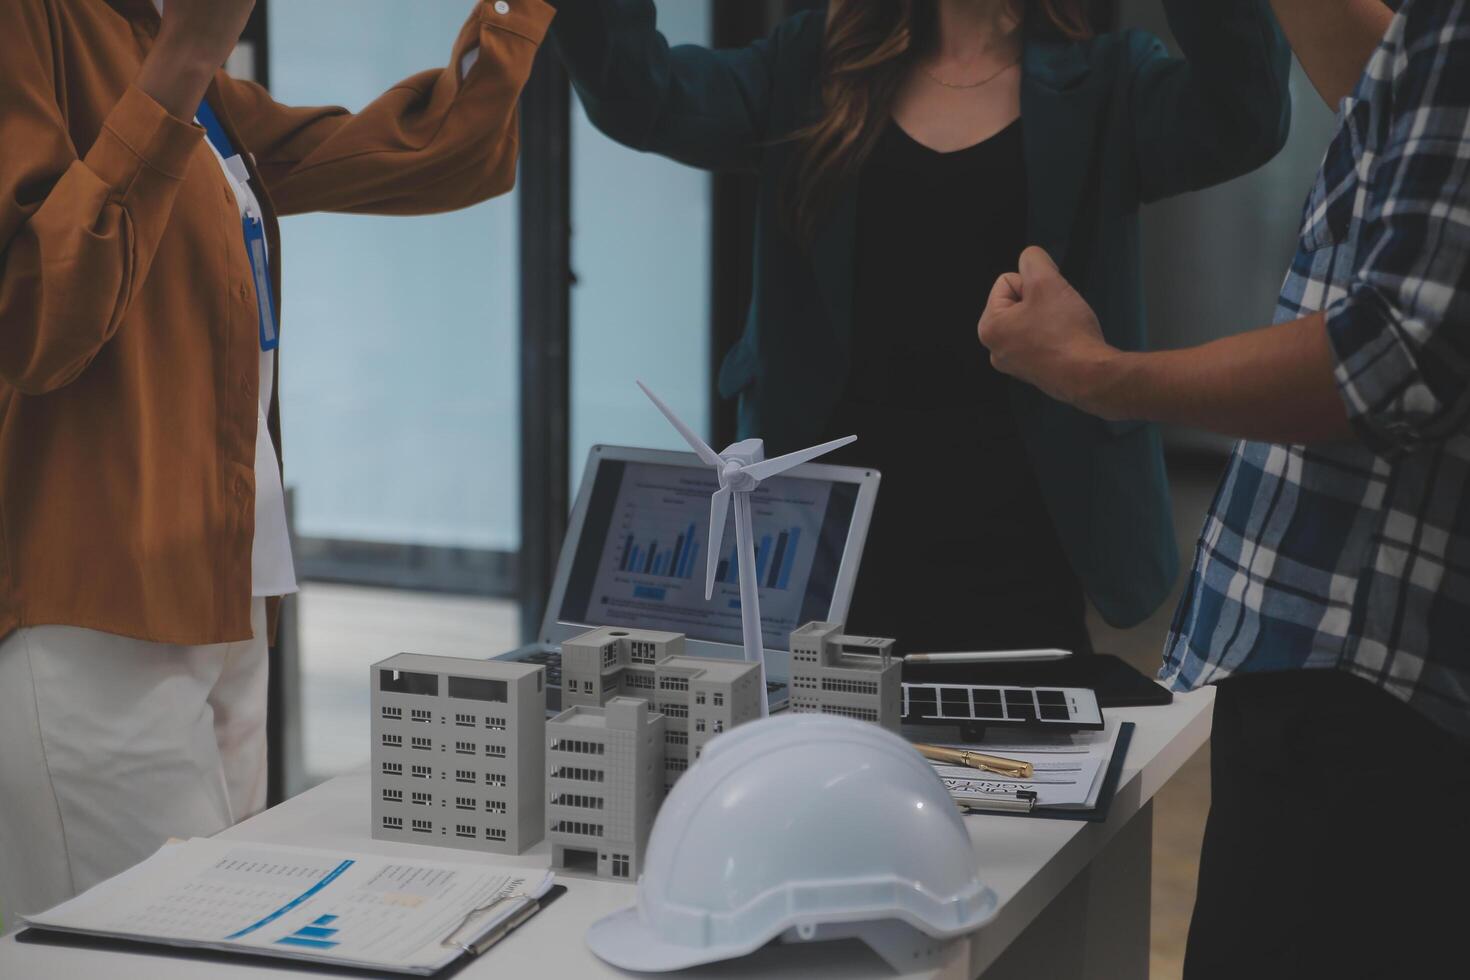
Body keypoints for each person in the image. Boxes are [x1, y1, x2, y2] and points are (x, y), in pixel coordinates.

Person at [0, 0, 554, 927]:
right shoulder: (50, 26)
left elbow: (432, 150)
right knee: (159, 948)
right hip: (89, 616)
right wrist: (178, 66)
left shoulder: (172, 52)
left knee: (223, 939)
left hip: (221, 602)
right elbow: (35, 320)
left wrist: (510, 19)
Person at [550, 0, 1291, 658]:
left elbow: (1245, 117)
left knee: (1011, 789)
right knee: (821, 770)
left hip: (1019, 524)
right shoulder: (812, 63)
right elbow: (641, 95)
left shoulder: (1106, 79)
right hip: (822, 524)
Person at [976, 1, 1469, 974]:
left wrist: (1093, 369)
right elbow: (1388, 98)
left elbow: (1394, 358)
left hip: (1366, 678)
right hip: (1352, 672)